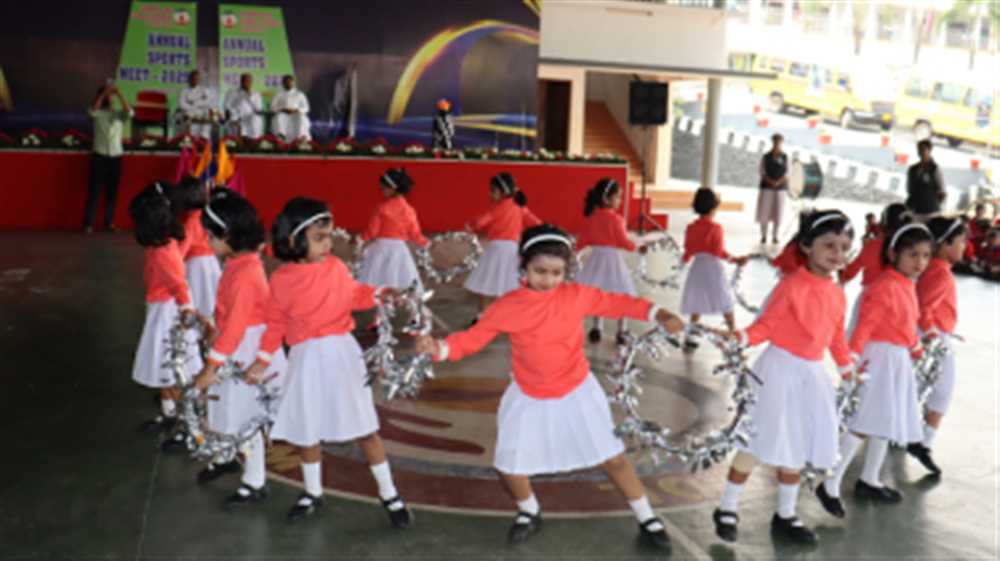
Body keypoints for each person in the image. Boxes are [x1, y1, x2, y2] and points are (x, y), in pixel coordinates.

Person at [415, 224, 683, 549]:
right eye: (540, 271)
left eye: (557, 273)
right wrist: (438, 348)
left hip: (577, 391)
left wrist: (659, 312)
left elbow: (619, 303)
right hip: (529, 395)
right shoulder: (508, 306)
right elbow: (471, 339)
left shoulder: (575, 296)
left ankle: (646, 517)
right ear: (524, 266)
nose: (548, 279)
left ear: (566, 271)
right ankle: (529, 510)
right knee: (509, 466)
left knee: (613, 459)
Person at [245, 198, 413, 526]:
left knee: (365, 428)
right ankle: (312, 491)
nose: (328, 244)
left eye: (329, 237)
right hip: (305, 360)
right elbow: (274, 324)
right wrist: (262, 361)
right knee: (307, 430)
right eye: (319, 238)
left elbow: (355, 294)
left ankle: (389, 493)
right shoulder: (280, 279)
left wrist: (382, 293)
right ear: (294, 239)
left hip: (342, 355)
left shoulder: (336, 267)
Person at [712, 210, 857, 545]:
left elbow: (836, 336)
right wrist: (741, 337)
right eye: (829, 245)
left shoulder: (837, 293)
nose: (837, 253)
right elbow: (767, 325)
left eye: (844, 247)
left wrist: (847, 368)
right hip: (778, 372)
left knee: (797, 444)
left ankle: (786, 514)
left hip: (811, 375)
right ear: (806, 246)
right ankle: (727, 506)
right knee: (757, 438)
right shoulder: (791, 286)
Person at [818, 220, 934, 517]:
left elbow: (906, 324)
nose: (920, 262)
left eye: (925, 255)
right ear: (894, 254)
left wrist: (914, 346)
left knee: (886, 420)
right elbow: (865, 325)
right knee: (864, 422)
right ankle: (830, 483)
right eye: (912, 254)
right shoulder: (884, 286)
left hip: (897, 359)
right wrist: (853, 358)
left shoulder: (906, 284)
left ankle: (869, 479)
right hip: (879, 358)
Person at [193, 194, 288, 505]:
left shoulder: (246, 273)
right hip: (236, 345)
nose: (207, 241)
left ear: (227, 236)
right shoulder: (239, 263)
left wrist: (210, 367)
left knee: (247, 418)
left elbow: (235, 327)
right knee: (227, 409)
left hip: (246, 350)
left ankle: (255, 481)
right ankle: (226, 456)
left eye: (210, 236)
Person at [128, 182, 204, 442]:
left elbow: (179, 284)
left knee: (172, 370)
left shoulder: (164, 251)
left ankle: (188, 425)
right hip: (159, 309)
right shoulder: (160, 246)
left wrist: (186, 312)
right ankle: (170, 414)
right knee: (164, 369)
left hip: (168, 314)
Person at [906, 216, 967, 475]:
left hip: (931, 332)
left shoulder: (933, 268)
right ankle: (923, 442)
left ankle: (911, 435)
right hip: (934, 335)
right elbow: (924, 307)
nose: (964, 246)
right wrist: (933, 335)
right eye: (960, 241)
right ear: (944, 244)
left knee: (918, 387)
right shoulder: (940, 272)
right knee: (942, 390)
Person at [464, 172, 540, 322]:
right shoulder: (520, 207)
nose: (490, 193)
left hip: (496, 250)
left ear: (503, 191)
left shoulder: (496, 208)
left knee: (486, 283)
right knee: (511, 284)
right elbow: (535, 222)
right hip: (513, 251)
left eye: (493, 190)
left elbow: (481, 222)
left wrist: (471, 225)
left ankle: (482, 316)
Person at [576, 178, 643, 344]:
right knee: (620, 294)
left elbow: (583, 240)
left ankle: (597, 327)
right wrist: (636, 247)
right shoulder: (616, 219)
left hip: (595, 260)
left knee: (598, 292)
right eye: (618, 197)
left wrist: (575, 252)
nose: (620, 200)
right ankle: (621, 331)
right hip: (613, 261)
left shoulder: (591, 218)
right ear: (607, 199)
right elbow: (622, 241)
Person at [679, 187, 747, 350]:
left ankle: (691, 335)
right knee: (724, 299)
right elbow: (719, 252)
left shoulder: (691, 228)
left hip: (697, 267)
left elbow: (688, 250)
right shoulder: (716, 228)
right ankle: (733, 333)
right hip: (713, 268)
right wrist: (736, 260)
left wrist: (683, 262)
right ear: (713, 208)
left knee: (697, 300)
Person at [840, 202, 909, 335]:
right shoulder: (909, 250)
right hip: (900, 301)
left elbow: (848, 274)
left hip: (869, 299)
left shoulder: (872, 246)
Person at [357, 168, 429, 291]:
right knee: (398, 280)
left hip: (380, 249)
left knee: (375, 280)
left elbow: (372, 231)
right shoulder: (409, 210)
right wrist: (427, 243)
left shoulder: (381, 208)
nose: (381, 190)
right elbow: (415, 234)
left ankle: (379, 301)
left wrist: (360, 239)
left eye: (383, 188)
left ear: (392, 189)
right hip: (400, 250)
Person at [169, 177, 222, 320]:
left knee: (197, 300)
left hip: (196, 266)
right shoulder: (207, 217)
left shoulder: (190, 222)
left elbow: (182, 250)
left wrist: (172, 264)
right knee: (211, 298)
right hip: (212, 262)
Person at [84, 83, 133, 234]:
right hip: (99, 155)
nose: (110, 98)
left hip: (116, 156)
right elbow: (92, 111)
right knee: (95, 190)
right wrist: (104, 93)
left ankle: (109, 222)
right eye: (108, 95)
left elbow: (129, 112)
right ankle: (89, 224)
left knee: (112, 191)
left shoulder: (119, 114)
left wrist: (119, 94)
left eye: (111, 95)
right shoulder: (97, 113)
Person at [756, 133, 788, 245]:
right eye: (775, 141)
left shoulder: (785, 157)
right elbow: (761, 171)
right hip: (767, 188)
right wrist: (770, 181)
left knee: (778, 212)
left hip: (780, 189)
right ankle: (763, 235)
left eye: (779, 142)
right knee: (764, 211)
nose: (777, 143)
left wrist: (778, 182)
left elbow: (787, 172)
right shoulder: (766, 156)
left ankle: (775, 236)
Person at [905, 139, 945, 220]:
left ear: (929, 151)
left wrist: (933, 203)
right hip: (915, 210)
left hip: (931, 212)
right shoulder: (913, 169)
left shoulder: (935, 169)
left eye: (924, 149)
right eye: (919, 150)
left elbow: (942, 192)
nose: (921, 152)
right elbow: (909, 189)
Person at [176, 70, 217, 140]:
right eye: (193, 78)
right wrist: (194, 106)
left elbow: (208, 102)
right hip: (189, 111)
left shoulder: (204, 90)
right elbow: (181, 103)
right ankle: (190, 138)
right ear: (189, 79)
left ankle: (204, 138)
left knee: (209, 113)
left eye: (197, 79)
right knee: (184, 115)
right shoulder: (184, 91)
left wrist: (194, 103)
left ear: (199, 80)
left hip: (201, 112)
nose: (195, 80)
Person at [270, 74, 311, 141]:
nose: (288, 83)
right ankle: (281, 137)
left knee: (301, 118)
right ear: (283, 83)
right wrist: (282, 109)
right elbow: (272, 108)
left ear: (293, 82)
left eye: (289, 81)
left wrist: (296, 110)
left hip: (296, 114)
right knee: (279, 117)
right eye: (286, 82)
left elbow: (306, 108)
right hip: (283, 114)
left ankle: (300, 138)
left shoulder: (299, 94)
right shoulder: (278, 94)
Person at [224, 73, 263, 140]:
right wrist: (232, 117)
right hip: (236, 117)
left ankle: (253, 140)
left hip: (250, 119)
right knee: (234, 123)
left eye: (249, 81)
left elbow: (258, 109)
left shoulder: (256, 94)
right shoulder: (232, 92)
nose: (247, 83)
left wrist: (249, 95)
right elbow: (227, 107)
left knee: (255, 120)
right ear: (241, 81)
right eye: (245, 81)